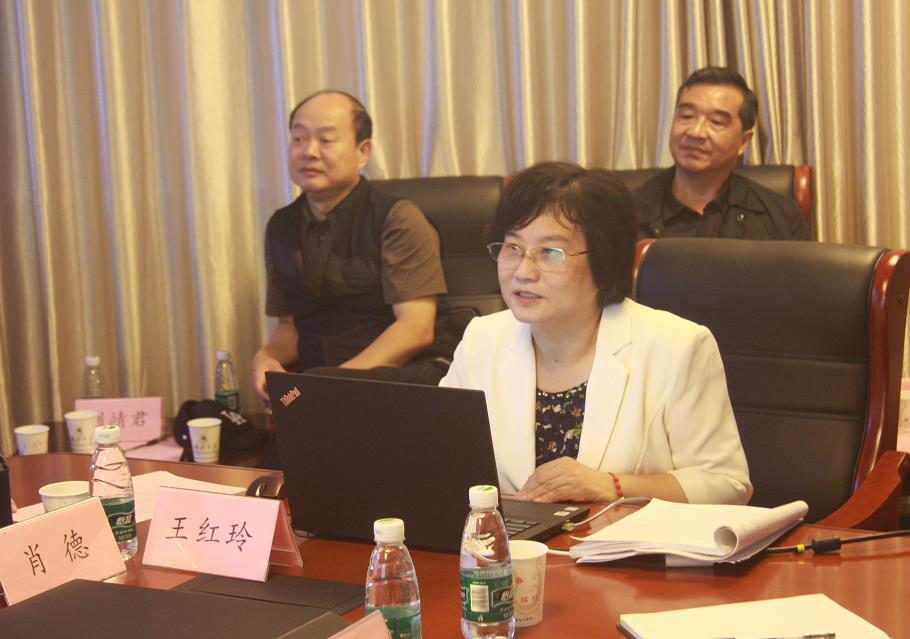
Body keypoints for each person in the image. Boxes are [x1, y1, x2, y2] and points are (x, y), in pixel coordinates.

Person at [441, 162, 752, 505]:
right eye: (512, 248)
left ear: (604, 260)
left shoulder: (678, 347)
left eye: (549, 253)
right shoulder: (482, 339)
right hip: (512, 539)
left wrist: (613, 486)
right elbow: (438, 457)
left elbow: (726, 484)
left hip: (625, 539)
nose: (524, 271)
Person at [252, 90, 453, 403]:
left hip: (401, 380)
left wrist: (332, 384)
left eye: (326, 140)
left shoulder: (398, 218)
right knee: (281, 411)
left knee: (302, 402)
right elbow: (289, 327)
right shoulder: (281, 226)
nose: (309, 152)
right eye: (298, 139)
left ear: (363, 152)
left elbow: (416, 328)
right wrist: (266, 358)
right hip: (322, 385)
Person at [635, 66, 811, 240]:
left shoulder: (782, 218)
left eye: (716, 122)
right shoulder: (628, 212)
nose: (696, 132)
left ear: (743, 141)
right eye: (686, 116)